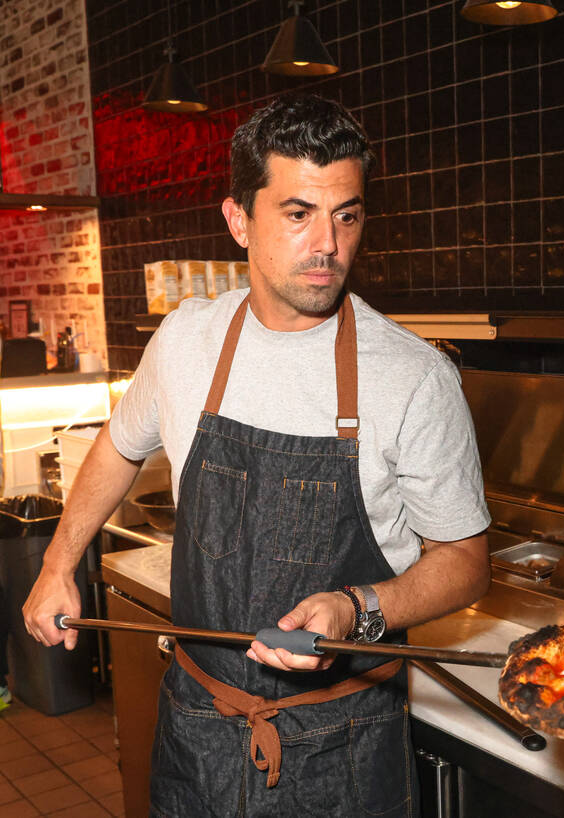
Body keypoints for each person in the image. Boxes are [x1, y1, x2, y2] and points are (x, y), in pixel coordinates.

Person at [22, 94, 492, 816]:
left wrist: (357, 606)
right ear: (240, 220)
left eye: (348, 214)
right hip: (197, 729)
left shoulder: (414, 377)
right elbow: (118, 447)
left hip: (344, 743)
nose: (328, 245)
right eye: (299, 213)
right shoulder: (185, 341)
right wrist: (57, 565)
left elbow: (464, 562)